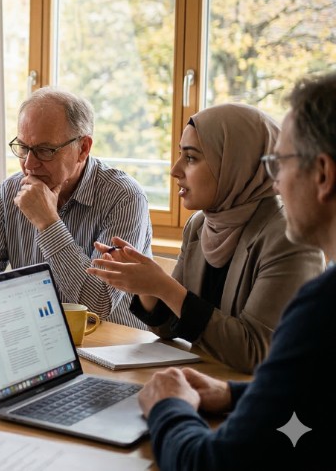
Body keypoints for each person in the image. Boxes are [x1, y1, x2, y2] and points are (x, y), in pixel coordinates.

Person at [137, 71, 336, 469]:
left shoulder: (323, 306)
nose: (274, 182)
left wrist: (168, 408)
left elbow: (211, 463)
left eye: (280, 163)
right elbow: (315, 391)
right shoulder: (201, 225)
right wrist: (232, 395)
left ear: (323, 174)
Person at [88, 103, 323, 373]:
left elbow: (258, 352)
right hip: (206, 382)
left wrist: (164, 287)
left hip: (269, 405)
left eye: (191, 158)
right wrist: (144, 283)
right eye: (180, 155)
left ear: (235, 162)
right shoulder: (200, 224)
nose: (174, 170)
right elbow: (168, 328)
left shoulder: (292, 237)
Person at [0, 87, 152, 326]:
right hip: (39, 336)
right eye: (23, 148)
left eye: (45, 151)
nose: (29, 164)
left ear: (83, 148)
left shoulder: (124, 197)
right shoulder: (9, 192)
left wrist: (48, 223)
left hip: (113, 347)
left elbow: (98, 304)